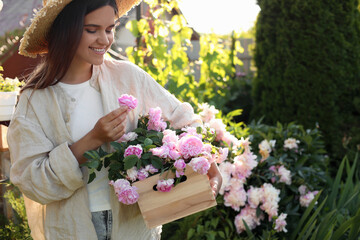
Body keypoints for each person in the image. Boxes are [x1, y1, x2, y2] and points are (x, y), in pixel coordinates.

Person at [7, 0, 222, 239]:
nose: (105, 40)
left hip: (133, 226)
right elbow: (32, 181)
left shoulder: (128, 77)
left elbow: (184, 120)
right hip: (72, 229)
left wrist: (205, 160)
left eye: (110, 29)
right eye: (92, 30)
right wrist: (91, 141)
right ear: (66, 30)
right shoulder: (34, 101)